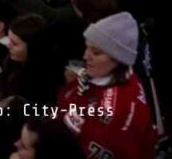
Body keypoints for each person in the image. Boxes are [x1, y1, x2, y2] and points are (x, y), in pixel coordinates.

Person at [57, 12, 158, 159]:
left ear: (118, 59)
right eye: (87, 48)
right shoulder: (106, 74)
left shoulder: (114, 116)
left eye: (96, 52)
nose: (86, 56)